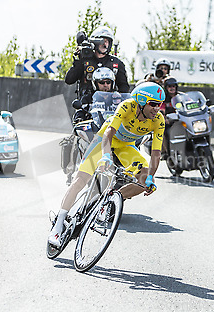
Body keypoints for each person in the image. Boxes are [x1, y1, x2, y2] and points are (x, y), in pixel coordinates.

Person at [48, 82, 166, 247]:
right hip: (104, 140)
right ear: (140, 100)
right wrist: (105, 156)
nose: (156, 108)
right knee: (79, 181)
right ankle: (58, 225)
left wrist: (151, 178)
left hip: (126, 146)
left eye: (159, 105)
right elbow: (109, 132)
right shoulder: (127, 107)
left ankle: (111, 199)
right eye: (153, 104)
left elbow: (156, 153)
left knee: (143, 180)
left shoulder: (158, 120)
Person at [65, 26, 130, 102]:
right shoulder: (85, 61)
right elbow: (69, 80)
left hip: (110, 106)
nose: (104, 44)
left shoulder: (116, 63)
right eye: (102, 41)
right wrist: (79, 60)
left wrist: (118, 97)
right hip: (87, 106)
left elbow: (124, 87)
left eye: (107, 41)